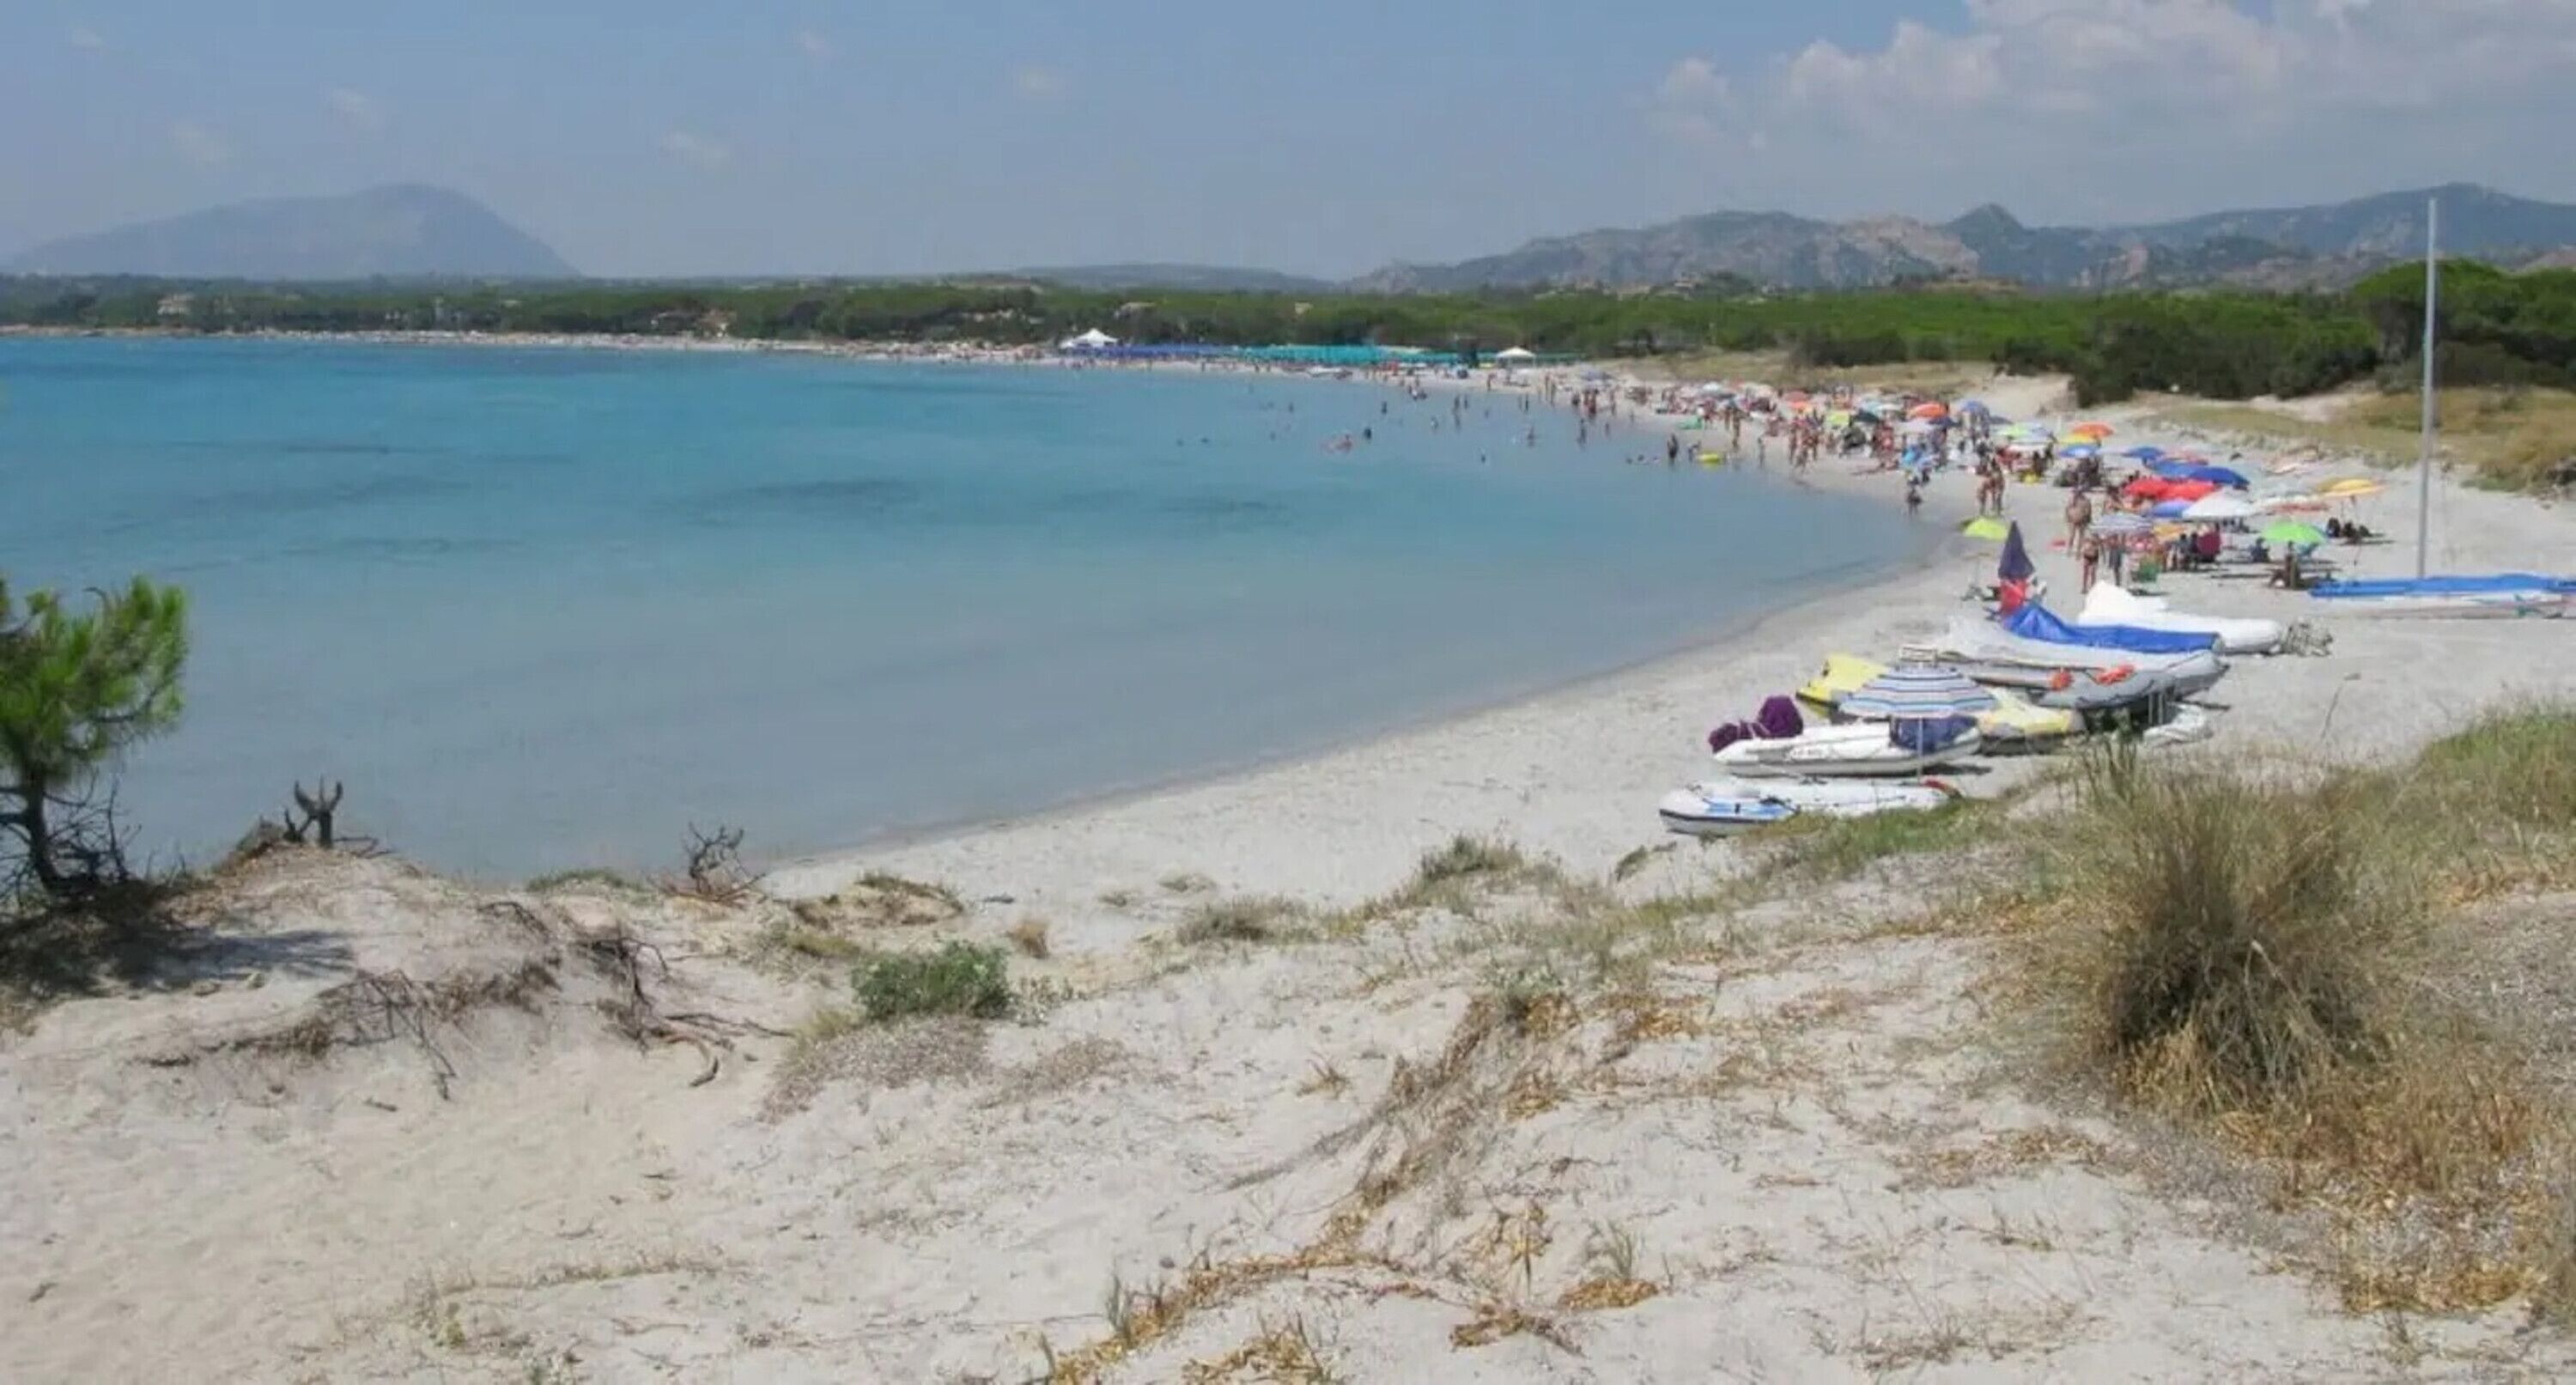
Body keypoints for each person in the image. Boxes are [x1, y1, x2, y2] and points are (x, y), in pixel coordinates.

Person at [2063, 486, 2093, 556]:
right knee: (2072, 535)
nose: (2078, 493)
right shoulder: (2072, 500)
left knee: (2081, 536)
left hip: (2082, 520)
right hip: (2072, 520)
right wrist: (2067, 517)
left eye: (2079, 492)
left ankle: (2078, 551)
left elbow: (2089, 511)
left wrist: (2087, 519)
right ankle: (2069, 549)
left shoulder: (2086, 500)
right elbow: (2067, 509)